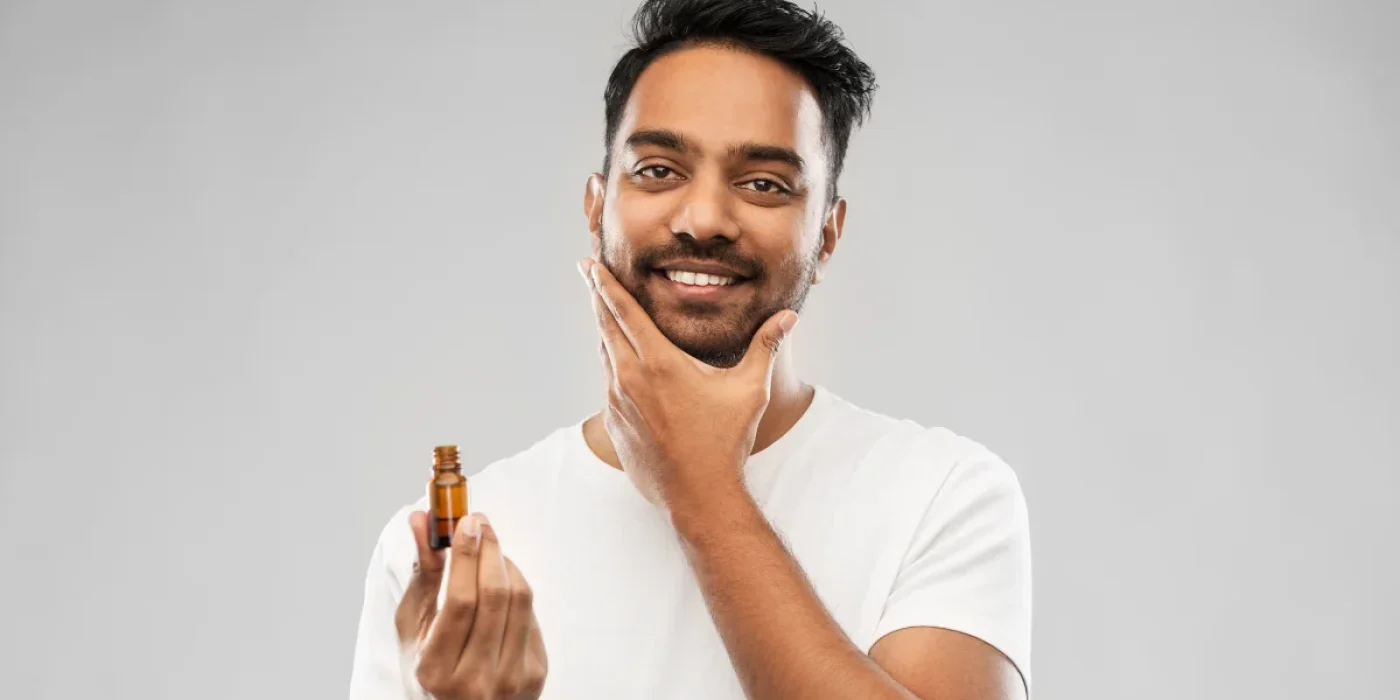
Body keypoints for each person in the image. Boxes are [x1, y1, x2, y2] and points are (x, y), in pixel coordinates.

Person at [349, 0, 1032, 697]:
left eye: (763, 184)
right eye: (657, 170)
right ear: (596, 207)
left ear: (827, 233)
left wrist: (701, 487)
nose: (704, 219)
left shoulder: (942, 495)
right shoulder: (454, 553)